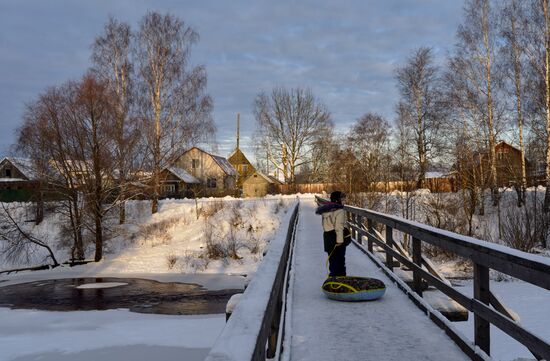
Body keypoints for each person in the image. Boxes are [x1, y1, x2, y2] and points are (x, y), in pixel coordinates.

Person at [315, 191, 350, 277]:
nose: (344, 201)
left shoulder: (326, 210)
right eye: (342, 199)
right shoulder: (340, 211)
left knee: (333, 260)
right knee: (340, 261)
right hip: (336, 239)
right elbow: (339, 227)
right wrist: (340, 241)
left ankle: (333, 280)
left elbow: (325, 225)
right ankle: (341, 280)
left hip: (328, 237)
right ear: (337, 200)